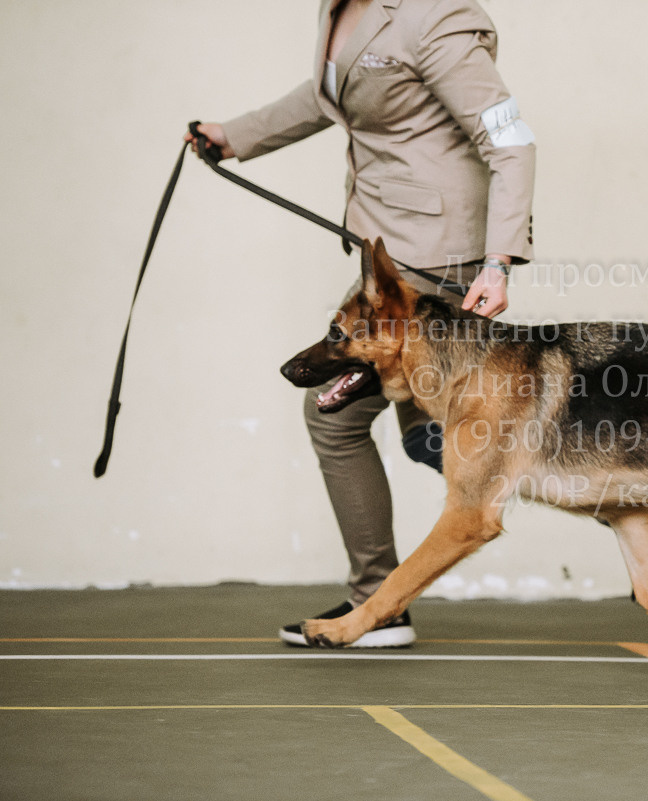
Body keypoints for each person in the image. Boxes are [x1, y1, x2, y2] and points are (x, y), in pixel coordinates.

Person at [186, 0, 535, 647]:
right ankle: (609, 495)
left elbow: (510, 139)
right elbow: (329, 96)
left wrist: (498, 262)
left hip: (438, 260)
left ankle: (378, 601)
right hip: (388, 254)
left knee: (336, 415)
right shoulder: (340, 8)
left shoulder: (437, 17)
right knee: (432, 436)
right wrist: (235, 135)